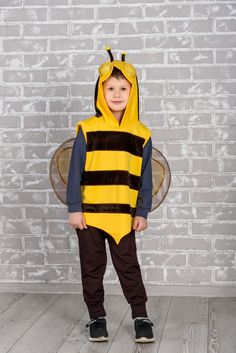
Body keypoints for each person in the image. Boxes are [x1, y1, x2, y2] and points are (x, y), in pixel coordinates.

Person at [66, 47, 154, 343]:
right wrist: (74, 208)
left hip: (123, 218)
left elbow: (145, 179)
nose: (116, 94)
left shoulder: (142, 134)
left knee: (128, 266)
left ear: (133, 92)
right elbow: (74, 171)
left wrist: (141, 211)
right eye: (110, 88)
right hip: (90, 216)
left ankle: (140, 314)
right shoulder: (87, 129)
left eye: (123, 88)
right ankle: (96, 317)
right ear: (100, 91)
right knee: (92, 267)